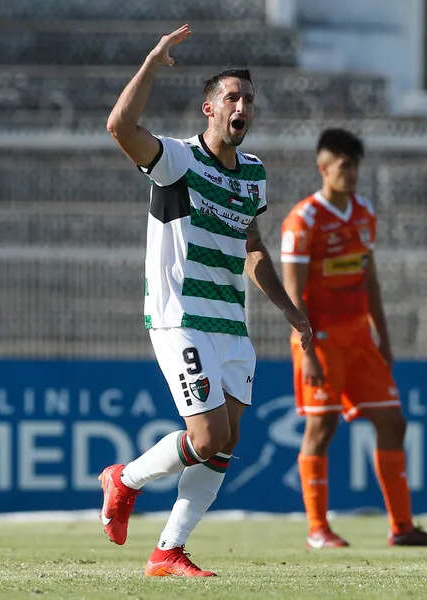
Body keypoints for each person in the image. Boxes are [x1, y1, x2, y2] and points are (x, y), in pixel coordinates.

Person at [100, 24, 313, 577]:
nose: (242, 106)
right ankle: (124, 480)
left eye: (248, 99)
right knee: (208, 435)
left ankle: (168, 550)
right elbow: (120, 127)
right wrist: (151, 60)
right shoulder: (177, 160)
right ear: (209, 109)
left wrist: (290, 310)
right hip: (181, 318)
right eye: (231, 98)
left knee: (226, 442)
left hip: (231, 324)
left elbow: (254, 247)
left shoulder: (255, 176)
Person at [280, 128, 427, 549]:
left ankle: (402, 527)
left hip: (360, 339)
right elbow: (292, 293)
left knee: (394, 422)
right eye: (343, 165)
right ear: (324, 168)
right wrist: (309, 351)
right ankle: (318, 529)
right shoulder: (303, 221)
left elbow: (369, 279)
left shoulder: (363, 213)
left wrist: (384, 336)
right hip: (319, 339)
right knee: (321, 427)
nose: (352, 172)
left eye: (355, 164)